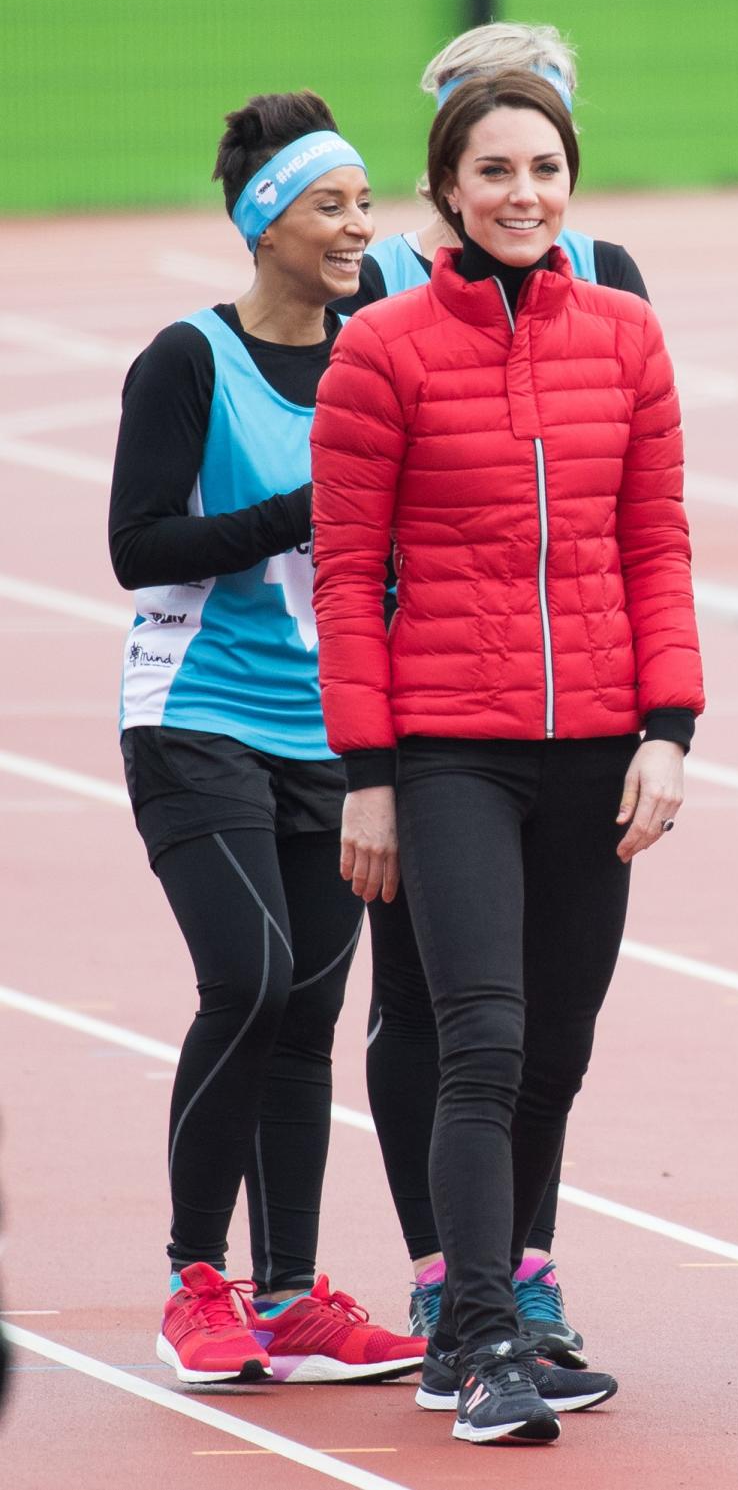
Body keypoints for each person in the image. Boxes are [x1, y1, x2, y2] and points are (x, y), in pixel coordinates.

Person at [311, 72, 704, 1445]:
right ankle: (476, 1338)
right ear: (447, 193)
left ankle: (514, 1307)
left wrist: (668, 731)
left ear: (571, 180)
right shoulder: (384, 350)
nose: (523, 193)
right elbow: (348, 579)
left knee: (557, 1053)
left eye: (544, 167)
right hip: (447, 750)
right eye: (494, 171)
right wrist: (368, 766)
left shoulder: (631, 340)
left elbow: (656, 545)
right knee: (481, 1034)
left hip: (599, 746)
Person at [109, 90, 426, 1387]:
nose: (360, 225)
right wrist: (306, 508)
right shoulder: (187, 360)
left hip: (329, 728)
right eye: (331, 204)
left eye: (363, 200)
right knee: (246, 976)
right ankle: (198, 1274)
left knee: (307, 1010)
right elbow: (139, 548)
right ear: (264, 223)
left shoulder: (378, 347)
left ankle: (290, 1293)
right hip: (194, 715)